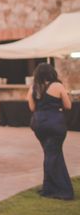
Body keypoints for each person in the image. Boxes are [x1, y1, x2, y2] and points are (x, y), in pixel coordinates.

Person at [27, 63, 74, 200]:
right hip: (55, 124)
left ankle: (49, 188)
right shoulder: (57, 86)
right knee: (53, 155)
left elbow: (32, 107)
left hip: (39, 125)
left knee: (50, 154)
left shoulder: (33, 88)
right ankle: (62, 190)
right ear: (52, 73)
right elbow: (68, 105)